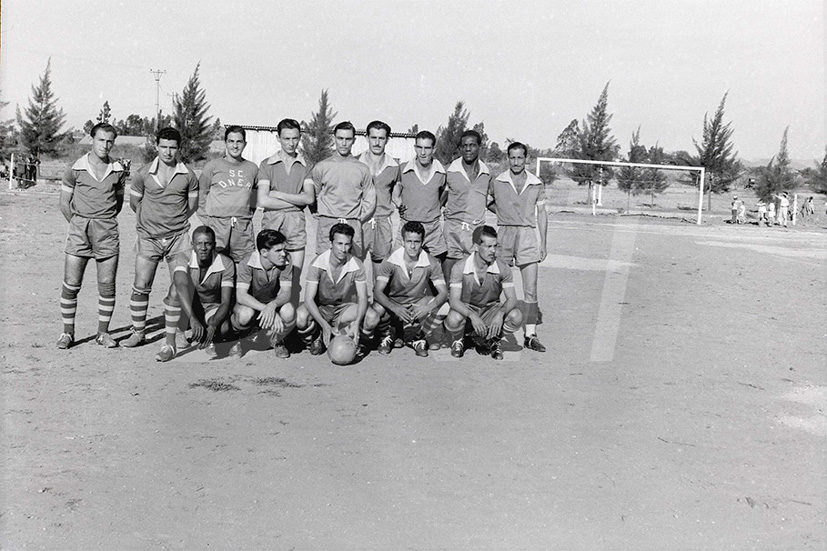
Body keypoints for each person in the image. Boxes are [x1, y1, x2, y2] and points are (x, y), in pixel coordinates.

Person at [121, 127, 199, 363]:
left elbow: (192, 206)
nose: (167, 152)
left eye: (172, 147)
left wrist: (173, 222)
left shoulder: (188, 175)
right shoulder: (143, 173)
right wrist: (152, 222)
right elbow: (134, 203)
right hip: (149, 238)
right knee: (141, 285)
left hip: (178, 238)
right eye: (163, 146)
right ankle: (138, 332)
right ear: (156, 146)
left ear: (179, 148)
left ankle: (175, 336)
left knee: (179, 286)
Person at [56, 122, 127, 349]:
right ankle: (67, 333)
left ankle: (102, 333)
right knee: (71, 283)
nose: (105, 145)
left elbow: (117, 204)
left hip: (107, 232)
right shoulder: (75, 168)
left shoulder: (118, 170)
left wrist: (102, 222)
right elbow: (64, 203)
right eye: (101, 140)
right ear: (91, 140)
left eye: (109, 141)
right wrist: (79, 224)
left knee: (107, 284)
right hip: (79, 231)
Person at [488, 142, 548, 352]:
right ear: (508, 158)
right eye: (512, 158)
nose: (516, 162)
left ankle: (530, 335)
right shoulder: (498, 181)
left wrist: (543, 243)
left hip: (527, 236)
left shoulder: (536, 183)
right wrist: (505, 214)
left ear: (526, 159)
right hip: (504, 234)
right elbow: (488, 202)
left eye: (520, 158)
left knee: (530, 289)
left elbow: (542, 213)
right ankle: (494, 333)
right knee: (496, 286)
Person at [296, 223, 379, 357]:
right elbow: (309, 299)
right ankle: (316, 335)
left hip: (343, 309)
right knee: (300, 317)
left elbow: (363, 297)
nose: (343, 249)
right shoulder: (317, 263)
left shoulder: (356, 265)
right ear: (331, 243)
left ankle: (349, 337)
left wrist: (357, 323)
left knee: (372, 318)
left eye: (347, 244)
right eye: (339, 244)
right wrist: (324, 324)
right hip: (321, 308)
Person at [256, 118, 315, 304]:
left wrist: (278, 194)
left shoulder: (306, 165)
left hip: (296, 228)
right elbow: (263, 200)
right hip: (272, 227)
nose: (291, 143)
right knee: (270, 280)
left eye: (295, 138)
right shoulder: (266, 164)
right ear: (278, 138)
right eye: (286, 138)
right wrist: (297, 202)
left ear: (300, 138)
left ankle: (292, 318)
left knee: (294, 281)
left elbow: (309, 198)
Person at [370, 221, 449, 357]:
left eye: (416, 242)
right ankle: (387, 334)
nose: (412, 246)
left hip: (416, 305)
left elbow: (443, 292)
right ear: (403, 241)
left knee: (444, 307)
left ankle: (419, 337)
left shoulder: (432, 262)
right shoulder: (390, 260)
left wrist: (427, 308)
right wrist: (396, 308)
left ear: (422, 242)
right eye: (409, 241)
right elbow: (377, 292)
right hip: (394, 305)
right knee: (377, 309)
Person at [444, 226, 523, 360]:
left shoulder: (503, 267)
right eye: (488, 246)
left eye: (495, 246)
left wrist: (500, 314)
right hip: (467, 310)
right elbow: (454, 300)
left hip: (490, 310)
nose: (493, 251)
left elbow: (512, 299)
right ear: (476, 246)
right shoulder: (460, 267)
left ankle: (493, 340)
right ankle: (459, 339)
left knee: (516, 316)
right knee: (453, 319)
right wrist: (472, 316)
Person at [159, 225, 235, 361]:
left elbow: (225, 302)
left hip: (211, 306)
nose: (203, 248)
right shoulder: (184, 256)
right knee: (175, 289)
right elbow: (180, 284)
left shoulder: (226, 263)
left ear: (214, 245)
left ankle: (211, 338)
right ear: (192, 245)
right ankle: (169, 345)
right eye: (199, 243)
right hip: (189, 307)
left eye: (208, 243)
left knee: (223, 328)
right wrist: (192, 318)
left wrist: (213, 325)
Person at [310, 121, 375, 259]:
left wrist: (357, 218)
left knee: (353, 265)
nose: (344, 143)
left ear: (354, 140)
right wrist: (320, 214)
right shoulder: (322, 167)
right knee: (325, 264)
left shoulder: (362, 169)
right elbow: (313, 194)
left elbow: (370, 198)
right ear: (334, 138)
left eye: (348, 139)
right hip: (328, 223)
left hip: (352, 222)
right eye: (340, 138)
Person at [231, 229, 296, 359]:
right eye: (278, 250)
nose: (283, 254)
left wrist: (272, 305)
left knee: (289, 311)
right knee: (245, 314)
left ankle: (277, 339)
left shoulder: (286, 260)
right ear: (264, 252)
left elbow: (286, 292)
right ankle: (237, 339)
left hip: (270, 302)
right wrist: (267, 309)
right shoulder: (246, 262)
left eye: (284, 249)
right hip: (250, 305)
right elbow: (241, 296)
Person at [198, 125, 259, 264]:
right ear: (225, 143)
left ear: (245, 144)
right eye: (231, 141)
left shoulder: (252, 168)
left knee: (244, 266)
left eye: (239, 141)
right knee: (216, 265)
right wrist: (208, 220)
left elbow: (254, 197)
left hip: (242, 228)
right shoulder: (212, 166)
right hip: (217, 225)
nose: (235, 146)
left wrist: (245, 215)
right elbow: (201, 195)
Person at [393, 130, 448, 271]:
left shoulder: (442, 172)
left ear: (434, 149)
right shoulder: (403, 169)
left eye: (427, 148)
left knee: (433, 270)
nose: (423, 152)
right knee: (399, 268)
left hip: (432, 230)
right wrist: (398, 203)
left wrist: (436, 208)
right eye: (419, 147)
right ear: (415, 148)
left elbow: (444, 192)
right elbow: (395, 190)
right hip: (407, 226)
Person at [443, 129, 492, 280]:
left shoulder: (487, 173)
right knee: (449, 278)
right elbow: (439, 197)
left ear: (479, 147)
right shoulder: (450, 171)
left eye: (472, 145)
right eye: (464, 146)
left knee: (472, 278)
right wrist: (443, 209)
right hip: (453, 230)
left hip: (475, 231)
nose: (468, 149)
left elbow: (490, 201)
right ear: (460, 148)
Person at [358, 120, 400, 267]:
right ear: (367, 138)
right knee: (354, 267)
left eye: (381, 138)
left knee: (381, 270)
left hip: (383, 222)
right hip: (360, 221)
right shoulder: (356, 163)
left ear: (387, 139)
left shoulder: (394, 167)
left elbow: (397, 195)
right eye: (373, 137)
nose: (377, 142)